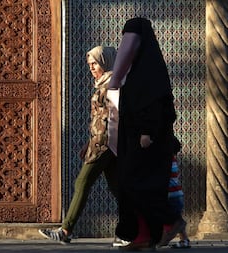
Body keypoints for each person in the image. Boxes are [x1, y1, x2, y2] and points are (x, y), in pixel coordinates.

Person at [107, 17, 184, 250]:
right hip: (133, 139)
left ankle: (171, 222)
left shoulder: (151, 70)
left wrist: (147, 131)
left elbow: (158, 105)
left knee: (141, 185)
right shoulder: (134, 71)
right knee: (129, 187)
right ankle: (142, 237)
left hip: (148, 140)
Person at [39, 46, 124, 245]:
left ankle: (66, 229)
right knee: (118, 188)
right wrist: (89, 142)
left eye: (95, 63)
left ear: (105, 62)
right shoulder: (104, 83)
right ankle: (137, 227)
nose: (92, 68)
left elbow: (117, 116)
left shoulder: (113, 84)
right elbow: (100, 118)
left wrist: (105, 143)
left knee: (82, 182)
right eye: (90, 64)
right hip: (101, 143)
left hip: (105, 144)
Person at [159, 136, 190, 248]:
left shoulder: (166, 160)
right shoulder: (172, 159)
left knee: (174, 220)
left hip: (170, 196)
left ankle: (166, 238)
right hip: (177, 195)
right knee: (177, 217)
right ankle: (184, 240)